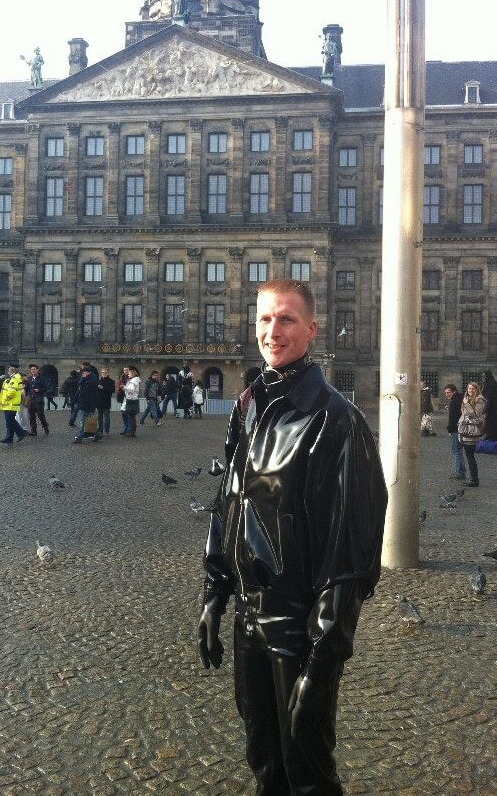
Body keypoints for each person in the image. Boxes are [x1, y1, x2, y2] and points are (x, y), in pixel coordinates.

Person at [198, 279, 387, 795]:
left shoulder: (337, 421)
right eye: (264, 319)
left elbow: (350, 552)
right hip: (247, 618)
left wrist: (323, 659)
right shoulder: (250, 405)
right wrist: (215, 590)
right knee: (264, 761)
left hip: (299, 626)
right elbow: (229, 499)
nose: (272, 331)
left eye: (285, 319)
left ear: (311, 329)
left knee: (308, 773)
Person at [458, 381, 487, 488]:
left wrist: (466, 404)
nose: (470, 391)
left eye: (473, 389)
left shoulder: (479, 400)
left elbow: (475, 414)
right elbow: (463, 414)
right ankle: (473, 478)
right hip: (465, 429)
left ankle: (474, 479)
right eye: (469, 388)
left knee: (470, 456)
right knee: (469, 456)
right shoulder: (467, 398)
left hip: (472, 430)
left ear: (477, 389)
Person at [0, 362, 28, 444]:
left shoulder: (15, 377)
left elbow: (12, 390)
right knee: (9, 421)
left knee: (10, 420)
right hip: (8, 403)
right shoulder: (12, 377)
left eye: (10, 368)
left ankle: (21, 432)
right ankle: (9, 437)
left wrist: (7, 398)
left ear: (13, 369)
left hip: (10, 403)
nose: (8, 369)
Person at [72, 366, 100, 444]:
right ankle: (98, 434)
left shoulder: (92, 381)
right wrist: (73, 401)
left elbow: (94, 395)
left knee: (83, 421)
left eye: (83, 372)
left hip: (88, 404)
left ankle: (79, 437)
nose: (82, 373)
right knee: (87, 421)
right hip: (83, 403)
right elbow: (79, 392)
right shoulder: (83, 380)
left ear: (88, 372)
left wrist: (92, 408)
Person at [443, 383, 466, 481]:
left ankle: (459, 473)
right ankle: (461, 471)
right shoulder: (460, 398)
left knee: (456, 452)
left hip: (456, 429)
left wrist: (449, 429)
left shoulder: (454, 402)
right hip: (462, 428)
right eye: (445, 393)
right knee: (459, 451)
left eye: (448, 392)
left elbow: (453, 419)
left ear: (454, 391)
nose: (447, 394)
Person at [24, 364, 50, 436]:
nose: (33, 370)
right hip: (31, 400)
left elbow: (46, 388)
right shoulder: (29, 378)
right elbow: (27, 388)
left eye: (34, 369)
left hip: (39, 400)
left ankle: (45, 427)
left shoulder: (42, 379)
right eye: (32, 369)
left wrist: (39, 390)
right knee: (31, 416)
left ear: (37, 370)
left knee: (40, 415)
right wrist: (23, 389)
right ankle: (33, 431)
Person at [120, 366, 140, 437]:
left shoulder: (135, 380)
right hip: (129, 399)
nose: (128, 374)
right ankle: (129, 430)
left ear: (132, 373)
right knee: (129, 416)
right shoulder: (133, 380)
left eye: (129, 373)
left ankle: (131, 431)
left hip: (131, 400)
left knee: (131, 417)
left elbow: (131, 390)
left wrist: (124, 387)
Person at [482, 369, 497, 442]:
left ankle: (490, 438)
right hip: (494, 406)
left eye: (484, 376)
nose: (483, 378)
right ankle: (492, 437)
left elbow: (489, 397)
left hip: (491, 407)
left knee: (490, 422)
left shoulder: (489, 384)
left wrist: (486, 409)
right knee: (493, 422)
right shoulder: (493, 383)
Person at [97, 367, 116, 436]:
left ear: (108, 373)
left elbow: (112, 390)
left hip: (106, 401)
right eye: (103, 372)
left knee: (106, 417)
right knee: (99, 417)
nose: (104, 374)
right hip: (99, 402)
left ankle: (107, 430)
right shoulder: (98, 381)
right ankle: (100, 430)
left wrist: (103, 388)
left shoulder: (111, 381)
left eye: (105, 372)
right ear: (101, 373)